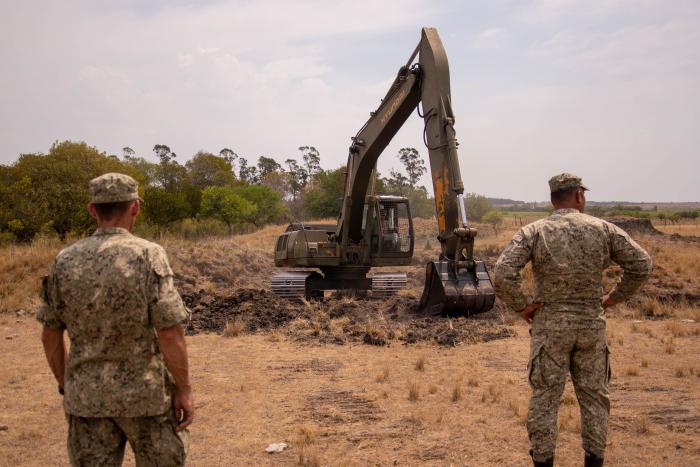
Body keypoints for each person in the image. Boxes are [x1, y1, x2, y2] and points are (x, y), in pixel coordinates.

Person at [493, 173, 652, 467]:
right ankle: (594, 460)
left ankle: (542, 461)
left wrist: (523, 307)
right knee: (594, 400)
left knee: (545, 399)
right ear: (579, 195)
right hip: (591, 325)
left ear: (553, 198)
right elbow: (642, 264)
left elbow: (502, 272)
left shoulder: (534, 231)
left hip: (549, 327)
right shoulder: (603, 229)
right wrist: (614, 298)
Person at [37, 173, 194, 466]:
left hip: (86, 400)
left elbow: (50, 334)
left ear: (92, 210)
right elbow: (170, 333)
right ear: (135, 207)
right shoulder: (149, 255)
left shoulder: (64, 261)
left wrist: (66, 385)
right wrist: (184, 389)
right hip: (146, 399)